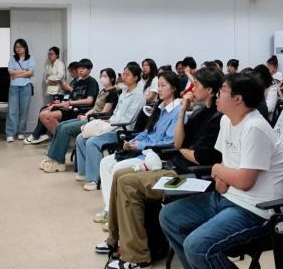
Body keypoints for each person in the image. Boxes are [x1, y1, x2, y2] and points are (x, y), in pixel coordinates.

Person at [94, 68, 224, 269]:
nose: (191, 89)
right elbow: (179, 142)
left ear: (209, 90)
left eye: (196, 85)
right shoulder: (200, 113)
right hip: (176, 166)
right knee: (119, 174)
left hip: (190, 176)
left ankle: (137, 257)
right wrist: (182, 111)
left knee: (128, 183)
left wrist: (182, 150)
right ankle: (115, 239)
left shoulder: (217, 119)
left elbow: (199, 157)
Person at [159, 73, 283, 269]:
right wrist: (221, 175)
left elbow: (244, 181)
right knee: (168, 216)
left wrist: (218, 170)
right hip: (227, 197)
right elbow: (225, 160)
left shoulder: (255, 128)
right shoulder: (226, 120)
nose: (218, 95)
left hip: (255, 209)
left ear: (238, 99)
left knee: (196, 246)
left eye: (223, 91)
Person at [95, 71, 181, 223]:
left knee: (117, 168)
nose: (159, 89)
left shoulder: (177, 112)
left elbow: (168, 142)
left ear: (173, 88)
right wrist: (133, 141)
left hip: (155, 155)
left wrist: (140, 145)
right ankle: (110, 209)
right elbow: (147, 131)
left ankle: (118, 215)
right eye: (158, 86)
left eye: (163, 86)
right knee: (105, 162)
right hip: (141, 150)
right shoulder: (160, 107)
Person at [76, 62, 146, 191]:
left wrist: (110, 123)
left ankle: (95, 180)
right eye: (124, 73)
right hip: (112, 124)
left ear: (136, 77)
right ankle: (85, 172)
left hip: (122, 130)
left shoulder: (138, 96)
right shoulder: (124, 92)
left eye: (128, 74)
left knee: (92, 142)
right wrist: (107, 120)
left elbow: (128, 119)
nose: (124, 76)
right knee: (81, 137)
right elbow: (116, 112)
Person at [41, 68, 119, 173]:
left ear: (112, 78)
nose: (102, 78)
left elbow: (103, 113)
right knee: (60, 125)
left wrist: (87, 117)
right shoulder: (103, 91)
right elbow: (95, 108)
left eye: (105, 76)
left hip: (97, 121)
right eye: (101, 76)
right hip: (90, 117)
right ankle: (52, 157)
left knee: (65, 129)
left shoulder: (112, 93)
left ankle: (59, 161)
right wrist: (85, 115)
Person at [36, 58, 99, 143]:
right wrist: (55, 105)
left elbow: (89, 101)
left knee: (49, 116)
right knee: (43, 114)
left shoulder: (92, 82)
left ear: (89, 70)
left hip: (82, 111)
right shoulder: (77, 83)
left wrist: (70, 103)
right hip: (71, 108)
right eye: (79, 68)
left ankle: (59, 141)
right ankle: (60, 139)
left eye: (83, 68)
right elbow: (71, 99)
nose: (80, 70)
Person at [24, 61, 79, 145]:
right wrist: (64, 88)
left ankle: (37, 134)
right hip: (65, 102)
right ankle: (41, 133)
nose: (71, 74)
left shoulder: (82, 82)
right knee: (44, 108)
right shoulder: (73, 81)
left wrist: (68, 88)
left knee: (46, 112)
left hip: (71, 107)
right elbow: (69, 95)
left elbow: (77, 96)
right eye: (70, 72)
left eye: (72, 71)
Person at [5, 39, 35, 142]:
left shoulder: (30, 58)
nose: (18, 49)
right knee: (12, 111)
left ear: (25, 47)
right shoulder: (12, 59)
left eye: (20, 47)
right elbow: (11, 73)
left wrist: (17, 73)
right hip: (14, 86)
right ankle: (10, 133)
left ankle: (21, 132)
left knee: (24, 110)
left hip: (26, 86)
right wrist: (24, 71)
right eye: (16, 47)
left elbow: (31, 73)